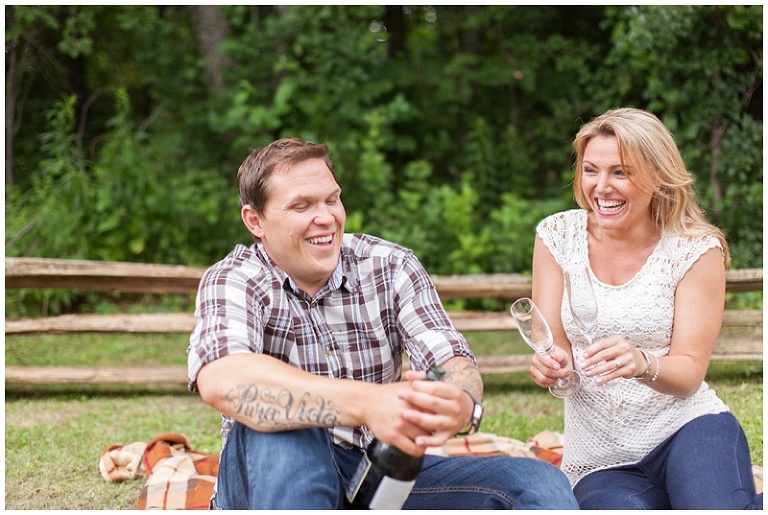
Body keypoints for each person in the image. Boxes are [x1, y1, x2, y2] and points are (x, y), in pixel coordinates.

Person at [187, 137, 578, 510]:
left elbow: (449, 359)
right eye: (302, 206)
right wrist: (368, 404)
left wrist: (457, 398)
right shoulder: (235, 278)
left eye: (332, 199)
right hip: (268, 479)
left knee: (538, 481)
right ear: (255, 220)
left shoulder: (390, 264)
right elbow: (223, 378)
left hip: (378, 471)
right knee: (296, 422)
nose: (325, 218)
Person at [530, 107, 762, 510]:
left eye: (621, 172)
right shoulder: (556, 235)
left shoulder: (694, 250)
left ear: (657, 176)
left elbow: (689, 373)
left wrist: (641, 362)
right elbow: (551, 345)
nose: (601, 187)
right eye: (591, 170)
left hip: (688, 428)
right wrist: (553, 370)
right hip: (600, 460)